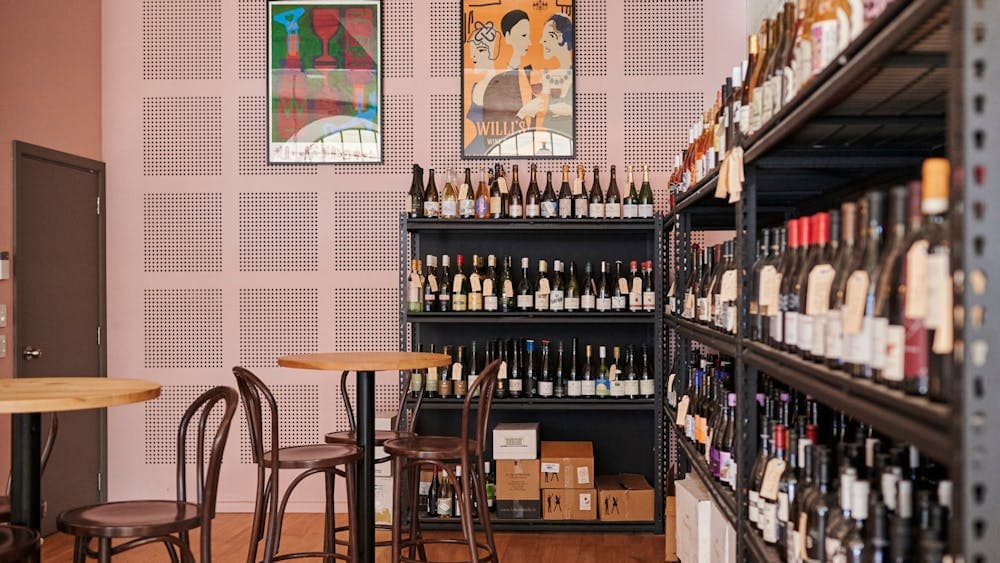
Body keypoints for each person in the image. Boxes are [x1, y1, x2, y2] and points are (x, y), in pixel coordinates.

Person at [480, 10, 533, 152]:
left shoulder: (530, 74)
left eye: (529, 35)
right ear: (508, 37)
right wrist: (523, 113)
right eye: (523, 36)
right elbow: (493, 129)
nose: (529, 41)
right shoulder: (496, 83)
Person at [519, 13, 573, 137]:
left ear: (561, 38)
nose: (541, 41)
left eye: (547, 36)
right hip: (549, 138)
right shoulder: (544, 75)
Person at [464, 21, 500, 155]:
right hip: (476, 152)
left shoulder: (503, 85)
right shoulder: (475, 87)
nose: (473, 56)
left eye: (480, 50)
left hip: (494, 151)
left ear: (494, 51)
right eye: (472, 50)